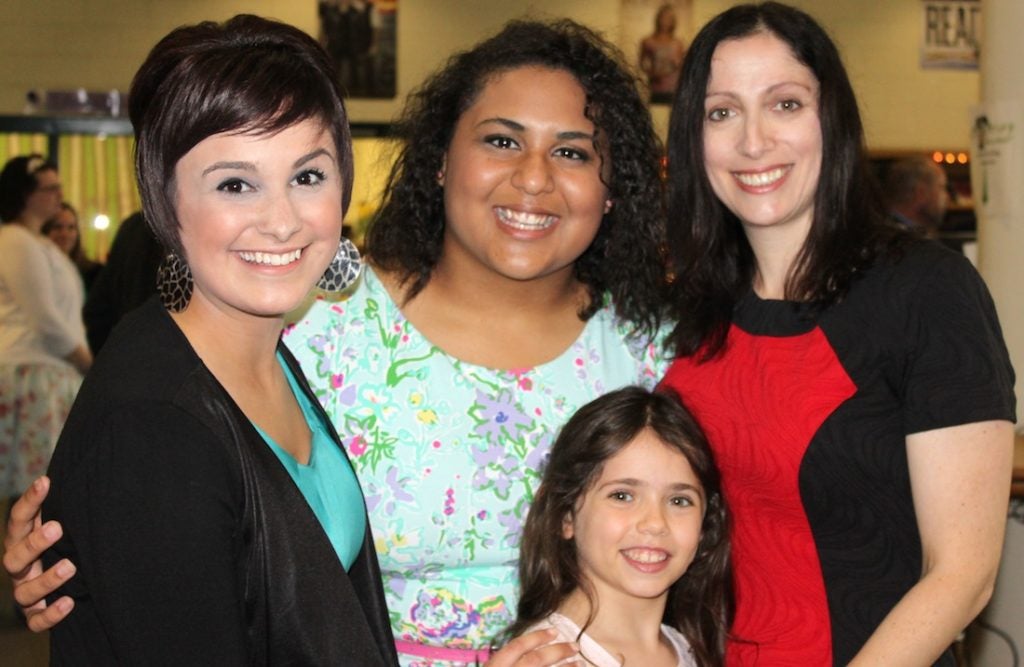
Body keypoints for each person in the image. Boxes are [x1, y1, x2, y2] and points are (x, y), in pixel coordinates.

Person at [4, 17, 666, 667]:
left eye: (573, 150)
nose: (532, 177)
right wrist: (91, 559)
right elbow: (161, 490)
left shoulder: (654, 355)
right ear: (439, 157)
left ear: (616, 186)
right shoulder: (314, 320)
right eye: (501, 140)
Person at [9, 15, 398, 665]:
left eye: (307, 176)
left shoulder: (258, 349)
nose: (281, 222)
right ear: (166, 201)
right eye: (235, 184)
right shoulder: (155, 425)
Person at [659, 3, 1015, 665]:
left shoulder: (925, 293)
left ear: (833, 119)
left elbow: (963, 575)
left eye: (785, 104)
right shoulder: (690, 308)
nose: (753, 140)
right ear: (693, 138)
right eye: (721, 112)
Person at [506, 386, 730, 667]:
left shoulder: (683, 646)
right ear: (566, 516)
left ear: (705, 523)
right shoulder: (550, 659)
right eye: (622, 496)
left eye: (679, 500)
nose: (655, 523)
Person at [0, 156, 91, 507]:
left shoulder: (38, 244)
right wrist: (87, 363)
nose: (58, 194)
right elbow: (46, 322)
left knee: (41, 493)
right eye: (49, 188)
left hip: (51, 375)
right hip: (32, 374)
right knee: (32, 495)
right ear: (25, 194)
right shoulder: (15, 240)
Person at [80, 210, 163, 352]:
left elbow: (96, 310)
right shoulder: (193, 226)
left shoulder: (133, 227)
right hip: (176, 358)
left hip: (132, 353)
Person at [41, 202, 104, 291]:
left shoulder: (93, 273)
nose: (65, 234)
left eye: (71, 227)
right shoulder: (39, 271)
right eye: (57, 227)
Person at [883, 155, 949, 238]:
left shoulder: (884, 228)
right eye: (941, 187)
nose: (947, 197)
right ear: (921, 193)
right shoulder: (898, 240)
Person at [639, 4, 687, 105]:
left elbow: (681, 66)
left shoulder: (677, 43)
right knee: (657, 114)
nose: (665, 21)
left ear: (673, 21)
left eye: (669, 18)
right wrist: (653, 74)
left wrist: (678, 64)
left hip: (673, 88)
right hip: (656, 87)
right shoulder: (648, 41)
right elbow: (642, 63)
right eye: (663, 17)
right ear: (658, 19)